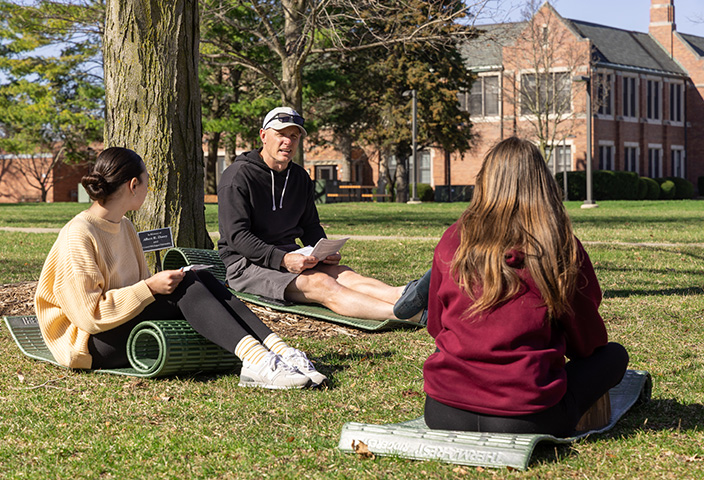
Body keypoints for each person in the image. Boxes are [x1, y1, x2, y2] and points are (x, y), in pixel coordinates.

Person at [34, 147, 327, 389]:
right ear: (132, 185)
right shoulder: (79, 233)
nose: (148, 189)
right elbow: (89, 316)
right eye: (146, 182)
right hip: (88, 344)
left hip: (117, 325)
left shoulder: (124, 227)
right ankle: (258, 362)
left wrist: (155, 284)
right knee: (186, 284)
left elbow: (137, 290)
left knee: (196, 276)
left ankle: (279, 352)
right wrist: (149, 287)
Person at [422, 137, 629, 436]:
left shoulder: (453, 239)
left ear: (484, 182)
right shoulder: (557, 245)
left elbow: (436, 325)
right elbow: (587, 343)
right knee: (614, 356)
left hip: (444, 410)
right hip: (528, 415)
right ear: (543, 184)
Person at [217, 106, 425, 323]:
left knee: (344, 274)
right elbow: (237, 236)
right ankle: (410, 316)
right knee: (320, 283)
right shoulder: (237, 176)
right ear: (263, 136)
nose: (287, 142)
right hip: (245, 264)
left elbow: (310, 226)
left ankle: (406, 295)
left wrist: (323, 250)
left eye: (294, 136)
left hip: (289, 254)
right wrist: (283, 259)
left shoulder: (299, 177)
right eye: (280, 134)